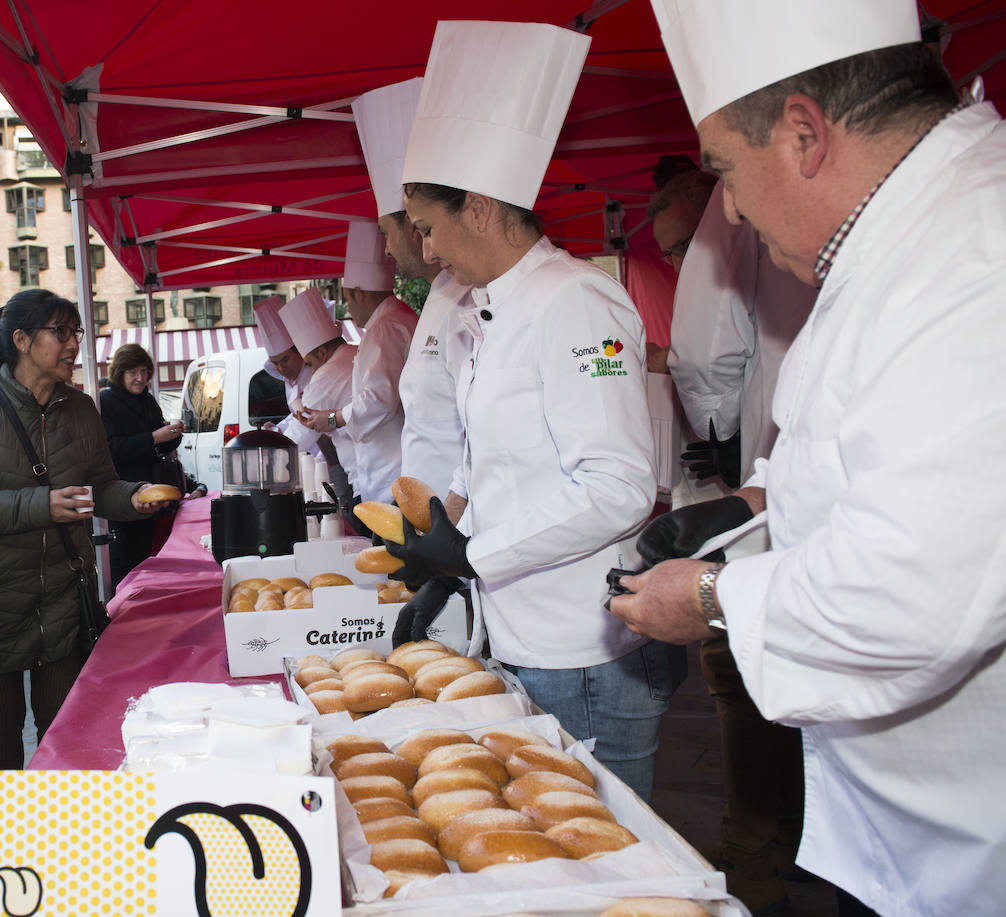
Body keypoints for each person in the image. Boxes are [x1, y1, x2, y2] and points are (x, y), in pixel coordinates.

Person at [615, 3, 1006, 913]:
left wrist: (712, 597)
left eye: (725, 173)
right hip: (904, 828)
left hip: (969, 850)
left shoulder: (975, 253)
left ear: (803, 133)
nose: (736, 211)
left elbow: (912, 585)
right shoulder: (902, 233)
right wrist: (751, 515)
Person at [389, 20, 670, 802]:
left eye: (429, 228)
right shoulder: (493, 310)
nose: (429, 251)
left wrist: (475, 556)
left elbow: (617, 485)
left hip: (586, 649)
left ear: (478, 207)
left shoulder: (577, 303)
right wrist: (440, 544)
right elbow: (486, 460)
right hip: (525, 635)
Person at [650, 166, 817, 913]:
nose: (683, 269)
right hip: (779, 476)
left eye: (686, 250)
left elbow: (703, 351)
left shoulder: (743, 205)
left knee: (742, 664)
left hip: (767, 464)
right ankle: (790, 840)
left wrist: (724, 449)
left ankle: (755, 853)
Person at [0, 289, 169, 781]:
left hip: (64, 594)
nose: (72, 344)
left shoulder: (82, 409)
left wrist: (134, 497)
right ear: (21, 340)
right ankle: (9, 836)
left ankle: (54, 836)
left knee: (62, 728)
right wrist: (44, 505)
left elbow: (100, 488)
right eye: (59, 332)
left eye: (75, 332)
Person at [353, 77, 475, 510]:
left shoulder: (470, 298)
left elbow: (478, 435)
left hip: (458, 524)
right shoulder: (439, 296)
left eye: (388, 232)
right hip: (431, 515)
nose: (387, 248)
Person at [295, 223, 417, 507]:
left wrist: (334, 418)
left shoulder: (385, 328)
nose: (349, 310)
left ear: (359, 292)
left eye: (348, 299)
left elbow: (379, 400)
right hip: (394, 472)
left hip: (393, 476)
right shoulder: (397, 318)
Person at [98, 343, 185, 586]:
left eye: (144, 372)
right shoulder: (105, 401)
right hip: (119, 494)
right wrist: (154, 437)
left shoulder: (147, 400)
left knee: (143, 558)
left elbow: (159, 447)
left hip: (150, 491)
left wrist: (173, 434)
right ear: (120, 372)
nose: (140, 378)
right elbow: (111, 448)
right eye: (133, 372)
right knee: (121, 561)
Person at [278, 288, 359, 513]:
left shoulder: (326, 375)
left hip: (368, 473)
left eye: (310, 363)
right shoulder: (357, 351)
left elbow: (296, 441)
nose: (311, 371)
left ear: (322, 353)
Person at [252, 295, 314, 446]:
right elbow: (298, 417)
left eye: (285, 360)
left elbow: (306, 427)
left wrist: (279, 438)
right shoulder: (291, 380)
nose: (281, 368)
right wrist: (278, 429)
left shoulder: (314, 378)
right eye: (275, 363)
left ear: (299, 352)